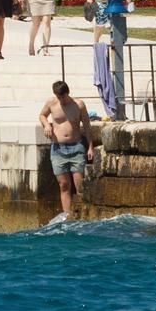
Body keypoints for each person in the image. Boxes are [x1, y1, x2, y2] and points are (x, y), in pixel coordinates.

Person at [37, 79, 94, 219]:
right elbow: (42, 115)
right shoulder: (51, 103)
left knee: (79, 185)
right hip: (58, 149)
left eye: (63, 97)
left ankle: (82, 216)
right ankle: (67, 217)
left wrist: (90, 147)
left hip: (76, 148)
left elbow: (87, 126)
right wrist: (47, 125)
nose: (61, 100)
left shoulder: (79, 105)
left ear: (68, 93)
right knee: (63, 185)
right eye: (59, 97)